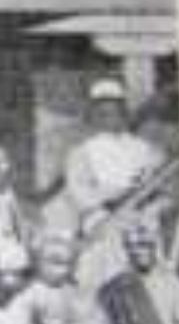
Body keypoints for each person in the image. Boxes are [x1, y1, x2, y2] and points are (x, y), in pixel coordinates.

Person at [58, 77, 170, 295]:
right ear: (93, 114)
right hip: (105, 225)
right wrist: (110, 197)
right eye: (102, 111)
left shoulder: (146, 150)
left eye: (116, 109)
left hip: (143, 226)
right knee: (109, 281)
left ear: (124, 111)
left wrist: (150, 210)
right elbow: (79, 195)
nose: (110, 116)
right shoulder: (82, 152)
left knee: (151, 283)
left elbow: (162, 191)